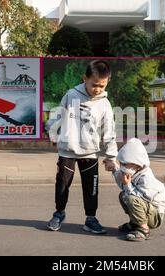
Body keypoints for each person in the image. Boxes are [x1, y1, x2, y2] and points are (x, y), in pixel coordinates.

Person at [45, 60, 118, 234]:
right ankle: (59, 214)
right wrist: (53, 133)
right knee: (62, 185)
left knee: (91, 188)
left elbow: (109, 131)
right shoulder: (71, 95)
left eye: (102, 85)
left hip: (90, 152)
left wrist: (111, 156)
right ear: (85, 78)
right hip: (67, 150)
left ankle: (90, 218)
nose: (98, 89)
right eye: (94, 85)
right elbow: (58, 116)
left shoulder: (104, 104)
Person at [112, 138, 165, 241]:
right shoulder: (133, 171)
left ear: (137, 164)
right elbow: (123, 185)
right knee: (123, 195)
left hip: (155, 216)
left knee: (131, 199)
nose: (122, 166)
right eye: (121, 163)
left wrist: (128, 185)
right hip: (146, 209)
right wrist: (114, 168)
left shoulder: (146, 178)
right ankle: (135, 223)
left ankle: (144, 229)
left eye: (124, 164)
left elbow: (140, 198)